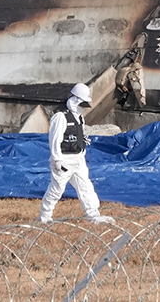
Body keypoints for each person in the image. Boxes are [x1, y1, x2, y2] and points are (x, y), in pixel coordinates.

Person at [38, 83, 114, 225]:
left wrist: (82, 143)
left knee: (85, 187)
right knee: (56, 189)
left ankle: (93, 215)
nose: (83, 108)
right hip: (64, 160)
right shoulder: (61, 116)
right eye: (81, 104)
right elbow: (54, 139)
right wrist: (57, 160)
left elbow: (79, 133)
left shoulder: (79, 117)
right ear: (74, 100)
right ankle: (44, 217)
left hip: (78, 159)